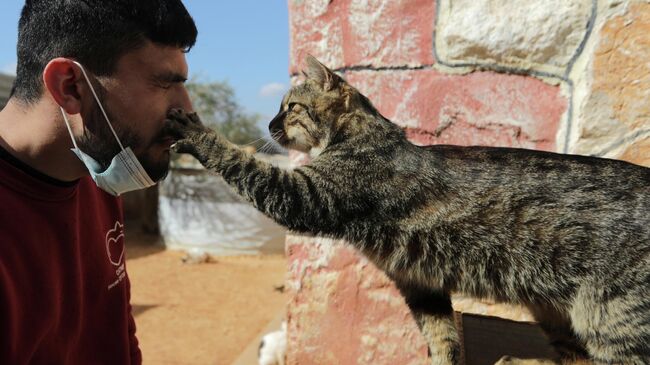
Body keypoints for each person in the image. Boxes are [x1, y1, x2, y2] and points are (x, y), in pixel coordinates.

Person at [0, 1, 197, 363]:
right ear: (71, 86)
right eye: (165, 84)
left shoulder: (100, 169)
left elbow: (118, 333)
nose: (187, 109)